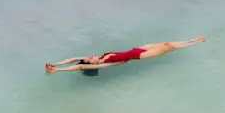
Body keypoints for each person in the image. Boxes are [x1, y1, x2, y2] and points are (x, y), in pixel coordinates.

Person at [45, 36, 206, 74]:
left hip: (137, 49)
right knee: (170, 47)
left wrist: (56, 63)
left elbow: (74, 59)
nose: (90, 56)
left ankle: (194, 40)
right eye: (90, 59)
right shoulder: (104, 63)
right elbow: (79, 65)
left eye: (89, 57)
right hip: (139, 55)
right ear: (92, 64)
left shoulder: (102, 57)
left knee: (166, 43)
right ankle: (195, 41)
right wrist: (57, 71)